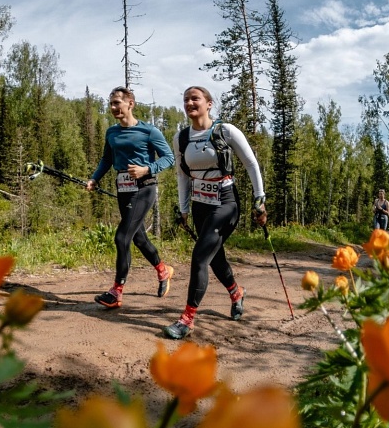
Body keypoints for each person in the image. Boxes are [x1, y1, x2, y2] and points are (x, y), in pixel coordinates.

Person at [161, 86, 266, 340]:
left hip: (226, 203)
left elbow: (251, 164)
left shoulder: (225, 131)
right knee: (214, 258)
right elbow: (183, 176)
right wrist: (183, 208)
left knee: (199, 258)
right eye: (185, 99)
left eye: (195, 98)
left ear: (209, 104)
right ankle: (236, 293)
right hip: (200, 205)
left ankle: (187, 319)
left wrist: (259, 199)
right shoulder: (181, 138)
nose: (189, 102)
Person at [86, 86, 175, 309]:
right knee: (138, 238)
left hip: (144, 188)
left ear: (130, 104)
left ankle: (116, 292)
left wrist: (147, 169)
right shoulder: (112, 132)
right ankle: (163, 270)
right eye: (111, 104)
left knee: (121, 237)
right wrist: (94, 179)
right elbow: (107, 159)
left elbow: (169, 158)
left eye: (117, 103)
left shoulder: (149, 131)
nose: (114, 107)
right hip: (123, 188)